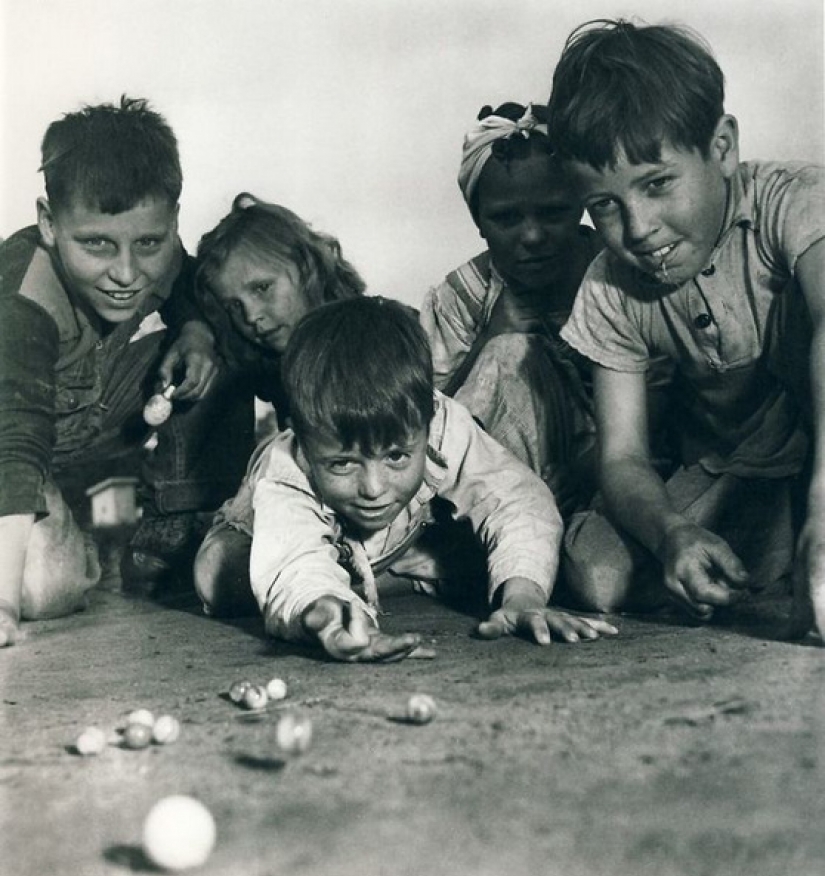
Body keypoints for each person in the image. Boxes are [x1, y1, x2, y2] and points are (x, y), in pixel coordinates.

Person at [545, 20, 825, 636]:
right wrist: (673, 534)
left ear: (722, 148)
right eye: (605, 205)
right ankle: (768, 557)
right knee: (599, 577)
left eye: (657, 183)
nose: (638, 228)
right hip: (742, 473)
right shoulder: (610, 285)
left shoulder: (796, 203)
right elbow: (621, 459)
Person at [193, 296, 617, 661]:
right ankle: (361, 579)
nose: (374, 489)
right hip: (272, 532)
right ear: (303, 439)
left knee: (499, 550)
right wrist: (328, 615)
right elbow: (292, 563)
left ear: (428, 420)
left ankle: (374, 571)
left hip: (394, 539)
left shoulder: (442, 420)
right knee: (218, 577)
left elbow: (516, 499)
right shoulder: (287, 464)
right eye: (342, 464)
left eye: (396, 456)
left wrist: (524, 596)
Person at [0, 96, 254, 646]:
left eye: (148, 243)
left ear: (171, 225)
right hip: (13, 443)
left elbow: (190, 288)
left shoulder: (155, 256)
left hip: (86, 417)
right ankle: (79, 541)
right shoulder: (22, 298)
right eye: (96, 244)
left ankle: (178, 527)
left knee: (230, 340)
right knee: (41, 591)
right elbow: (15, 444)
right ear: (48, 222)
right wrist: (2, 603)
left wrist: (196, 331)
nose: (125, 273)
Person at [419, 102, 602, 518]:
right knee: (507, 355)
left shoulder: (615, 275)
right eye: (507, 218)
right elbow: (424, 425)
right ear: (479, 221)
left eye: (553, 212)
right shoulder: (460, 297)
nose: (533, 235)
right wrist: (491, 337)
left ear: (581, 203)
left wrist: (587, 469)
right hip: (485, 486)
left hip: (606, 467)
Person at [193, 192, 366, 427]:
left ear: (307, 267)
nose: (252, 316)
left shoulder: (373, 339)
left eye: (262, 288)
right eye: (234, 305)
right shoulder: (272, 364)